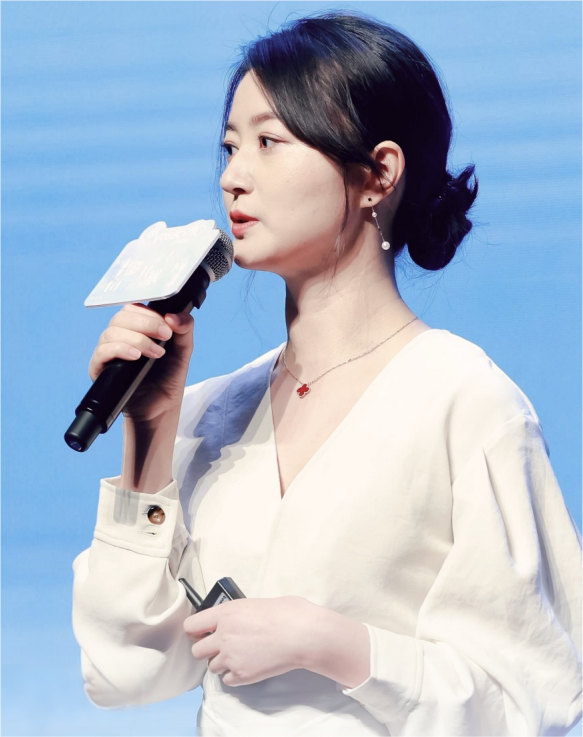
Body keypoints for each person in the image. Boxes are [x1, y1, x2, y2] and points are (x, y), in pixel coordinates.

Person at [72, 11, 583, 737]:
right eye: (229, 147)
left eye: (269, 142)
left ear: (377, 173)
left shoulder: (465, 402)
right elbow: (123, 672)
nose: (232, 178)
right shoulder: (215, 411)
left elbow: (530, 701)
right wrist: (148, 432)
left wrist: (339, 646)